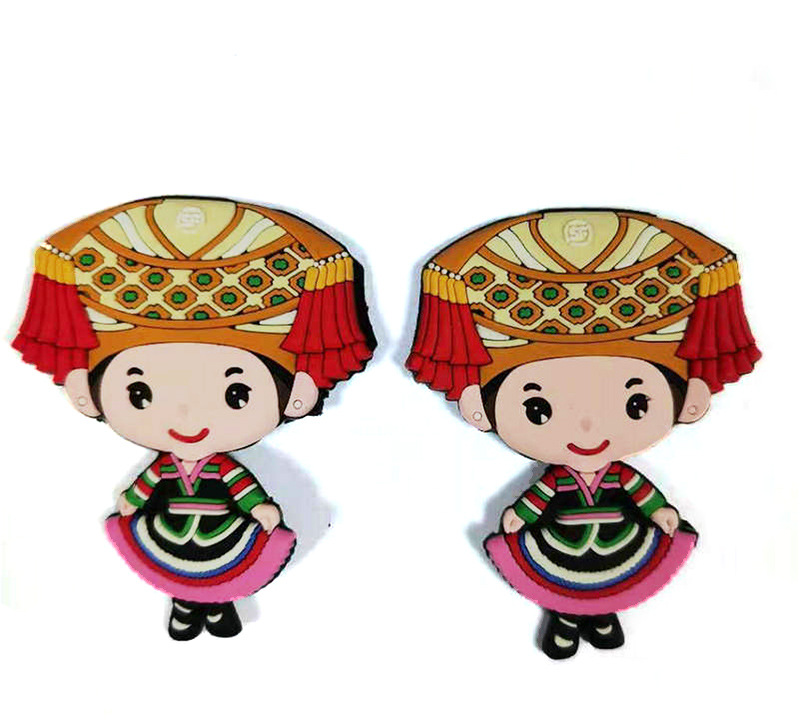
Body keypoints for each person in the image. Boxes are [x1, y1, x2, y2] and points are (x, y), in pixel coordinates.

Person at [13, 196, 375, 639]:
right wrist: (133, 500)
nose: (186, 416)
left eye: (236, 394)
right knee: (176, 566)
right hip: (169, 528)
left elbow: (240, 488)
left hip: (221, 529)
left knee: (221, 565)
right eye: (140, 394)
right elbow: (149, 484)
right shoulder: (170, 468)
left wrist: (257, 507)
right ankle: (189, 604)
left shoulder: (219, 468)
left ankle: (214, 604)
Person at [407, 208, 759, 658]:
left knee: (606, 579)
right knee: (562, 580)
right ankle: (568, 618)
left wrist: (659, 511)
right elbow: (541, 496)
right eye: (538, 409)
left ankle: (599, 614)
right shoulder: (561, 479)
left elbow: (638, 492)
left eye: (635, 404)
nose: (588, 426)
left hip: (618, 541)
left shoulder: (616, 476)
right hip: (561, 542)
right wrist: (522, 515)